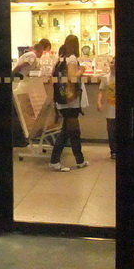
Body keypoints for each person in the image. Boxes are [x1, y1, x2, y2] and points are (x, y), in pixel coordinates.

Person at [48, 35, 88, 172]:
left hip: (62, 99)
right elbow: (72, 76)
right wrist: (81, 70)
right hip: (71, 100)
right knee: (68, 131)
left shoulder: (60, 59)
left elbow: (52, 76)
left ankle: (80, 159)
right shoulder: (71, 59)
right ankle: (55, 160)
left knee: (72, 130)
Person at [96, 56, 117, 159]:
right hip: (110, 109)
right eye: (111, 63)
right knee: (111, 130)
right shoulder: (106, 77)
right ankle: (113, 151)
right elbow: (101, 91)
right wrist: (99, 102)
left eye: (114, 63)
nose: (112, 65)